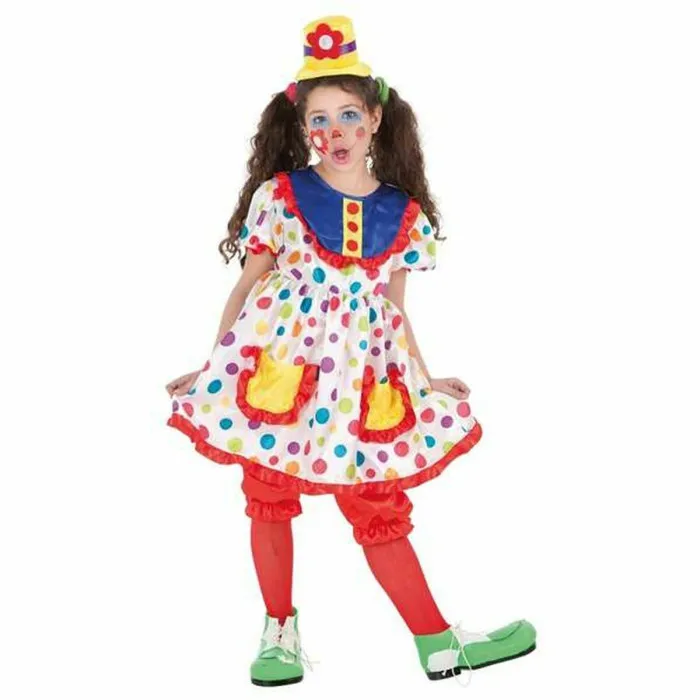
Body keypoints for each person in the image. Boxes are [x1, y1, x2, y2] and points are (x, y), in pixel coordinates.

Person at [165, 15, 536, 688]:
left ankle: (437, 642)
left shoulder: (404, 214)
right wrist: (216, 367)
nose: (333, 132)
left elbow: (394, 310)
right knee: (269, 491)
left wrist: (425, 378)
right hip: (282, 371)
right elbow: (247, 288)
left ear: (374, 120)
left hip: (363, 380)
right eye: (319, 119)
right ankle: (279, 631)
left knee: (375, 501)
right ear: (302, 126)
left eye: (347, 116)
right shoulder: (282, 197)